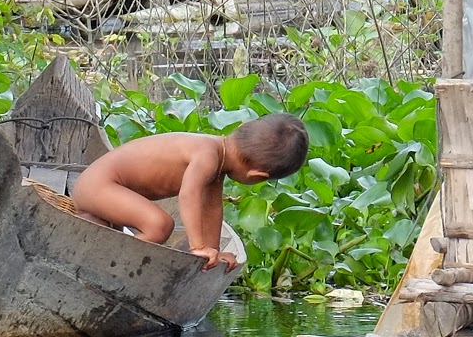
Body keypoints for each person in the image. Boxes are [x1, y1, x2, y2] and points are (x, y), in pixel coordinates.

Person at [70, 114, 309, 271]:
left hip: (107, 192)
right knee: (160, 225)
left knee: (149, 225)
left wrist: (213, 251)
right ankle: (111, 266)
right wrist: (197, 247)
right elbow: (189, 196)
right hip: (98, 185)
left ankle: (99, 235)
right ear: (257, 176)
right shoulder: (207, 155)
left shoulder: (219, 159)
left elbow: (212, 208)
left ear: (241, 127)